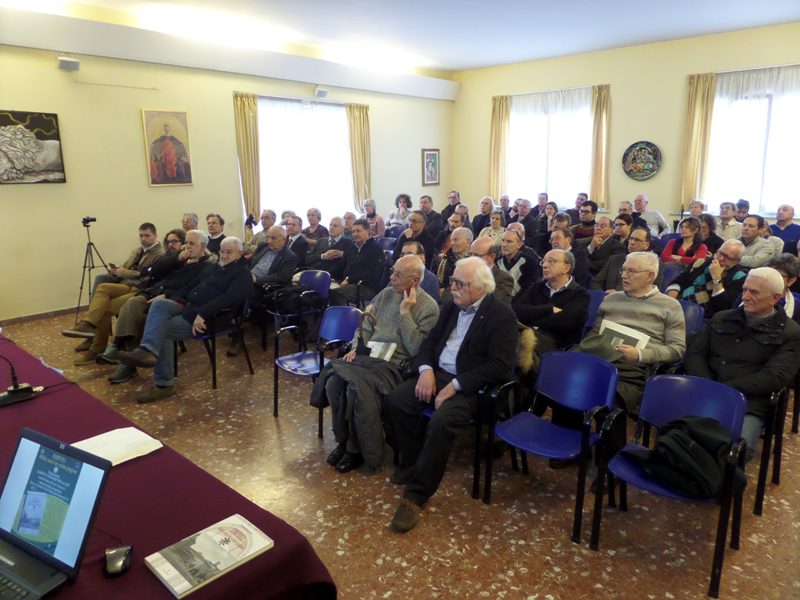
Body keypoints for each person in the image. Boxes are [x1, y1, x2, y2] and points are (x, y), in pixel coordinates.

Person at [385, 257, 518, 532]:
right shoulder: (452, 306)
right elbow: (430, 342)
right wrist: (425, 370)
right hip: (439, 374)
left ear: (480, 287)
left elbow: (499, 366)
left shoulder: (502, 316)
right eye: (452, 281)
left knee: (441, 421)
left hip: (472, 385)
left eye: (459, 283)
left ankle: (415, 497)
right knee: (396, 400)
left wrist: (456, 385)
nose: (452, 287)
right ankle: (413, 462)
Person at [312, 255, 439, 473]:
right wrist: (355, 346)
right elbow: (366, 325)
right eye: (393, 271)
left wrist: (405, 313)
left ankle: (355, 450)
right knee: (333, 383)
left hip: (395, 366)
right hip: (368, 358)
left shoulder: (429, 307)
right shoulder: (386, 294)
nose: (391, 277)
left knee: (354, 391)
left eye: (398, 274)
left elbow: (417, 349)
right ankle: (344, 441)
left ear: (415, 280)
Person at [118, 237, 253, 404]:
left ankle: (164, 384)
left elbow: (230, 299)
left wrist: (203, 313)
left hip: (213, 318)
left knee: (163, 330)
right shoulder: (214, 267)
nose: (224, 255)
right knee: (159, 305)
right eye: (222, 251)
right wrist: (167, 295)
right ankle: (147, 350)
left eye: (229, 252)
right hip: (190, 307)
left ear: (239, 254)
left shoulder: (243, 274)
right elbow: (191, 286)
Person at [686, 267, 800, 459]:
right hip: (705, 389)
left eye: (754, 292)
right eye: (745, 289)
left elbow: (774, 377)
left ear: (774, 298)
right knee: (675, 434)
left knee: (730, 454)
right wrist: (706, 385)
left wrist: (724, 390)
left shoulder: (790, 333)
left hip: (748, 401)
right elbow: (696, 352)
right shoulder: (723, 317)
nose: (745, 297)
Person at [576, 252, 685, 415]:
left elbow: (677, 350)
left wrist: (641, 355)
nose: (624, 276)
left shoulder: (670, 306)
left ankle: (609, 439)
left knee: (603, 397)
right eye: (623, 270)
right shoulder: (611, 299)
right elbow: (594, 332)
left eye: (631, 272)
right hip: (599, 357)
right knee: (568, 381)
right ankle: (571, 435)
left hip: (632, 369)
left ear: (650, 276)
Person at [104, 229, 214, 384]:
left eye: (191, 243)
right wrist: (177, 258)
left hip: (173, 300)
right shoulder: (181, 259)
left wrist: (166, 295)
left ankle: (127, 357)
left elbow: (191, 289)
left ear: (202, 247)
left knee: (137, 315)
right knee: (131, 307)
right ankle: (126, 354)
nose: (186, 247)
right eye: (186, 243)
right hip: (155, 293)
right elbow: (154, 272)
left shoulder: (206, 266)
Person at [63, 228, 180, 363]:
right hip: (130, 284)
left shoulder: (160, 254)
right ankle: (90, 327)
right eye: (141, 235)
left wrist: (125, 273)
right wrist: (119, 270)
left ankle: (98, 345)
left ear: (155, 236)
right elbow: (129, 266)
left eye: (147, 235)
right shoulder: (138, 250)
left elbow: (146, 275)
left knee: (106, 307)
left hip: (140, 287)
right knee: (102, 286)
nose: (143, 238)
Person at [513, 249, 589, 354]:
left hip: (558, 345)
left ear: (566, 268)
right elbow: (518, 309)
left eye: (551, 261)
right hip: (528, 334)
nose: (545, 265)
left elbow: (566, 322)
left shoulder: (580, 294)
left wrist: (531, 319)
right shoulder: (537, 286)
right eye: (543, 261)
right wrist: (549, 309)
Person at [665, 239, 746, 317]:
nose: (721, 259)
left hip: (703, 316)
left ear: (737, 261)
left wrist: (717, 279)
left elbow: (723, 308)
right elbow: (679, 280)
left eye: (727, 257)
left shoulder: (739, 278)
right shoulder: (701, 263)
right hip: (677, 304)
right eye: (720, 253)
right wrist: (672, 293)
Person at [328, 219, 385, 306]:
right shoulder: (352, 248)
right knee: (324, 287)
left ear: (367, 231)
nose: (355, 234)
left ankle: (343, 318)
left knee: (337, 293)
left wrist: (349, 279)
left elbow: (373, 273)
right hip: (348, 282)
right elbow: (340, 265)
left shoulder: (376, 249)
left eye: (358, 231)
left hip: (366, 286)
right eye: (353, 231)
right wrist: (328, 275)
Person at [592, 227, 663, 293]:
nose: (632, 242)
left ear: (646, 245)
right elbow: (596, 282)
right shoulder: (614, 259)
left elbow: (650, 288)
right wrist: (601, 295)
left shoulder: (653, 264)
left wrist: (618, 294)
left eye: (637, 240)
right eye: (631, 239)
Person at [305, 217, 355, 281]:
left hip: (333, 279)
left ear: (342, 229)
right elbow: (308, 259)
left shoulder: (348, 243)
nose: (331, 227)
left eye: (335, 226)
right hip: (313, 274)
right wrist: (322, 256)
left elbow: (352, 260)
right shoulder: (321, 241)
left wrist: (342, 254)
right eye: (330, 225)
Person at [498, 228, 540, 298]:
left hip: (520, 304)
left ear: (519, 245)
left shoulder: (529, 263)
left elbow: (529, 291)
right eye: (503, 240)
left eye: (509, 241)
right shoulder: (497, 262)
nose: (504, 244)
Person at [470, 236, 514, 305]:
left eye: (476, 256)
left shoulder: (503, 279)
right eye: (470, 254)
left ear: (492, 257)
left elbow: (494, 305)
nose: (471, 259)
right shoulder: (465, 272)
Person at [437, 227, 473, 304]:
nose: (452, 243)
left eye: (455, 240)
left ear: (468, 241)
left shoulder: (476, 262)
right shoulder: (443, 260)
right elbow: (439, 282)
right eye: (451, 240)